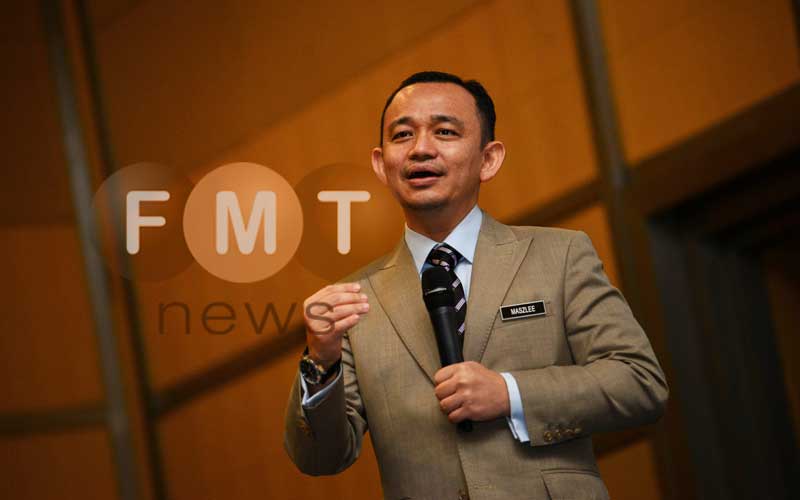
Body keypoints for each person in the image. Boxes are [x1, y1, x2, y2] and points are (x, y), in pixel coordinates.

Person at [284, 71, 668, 500]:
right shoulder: (354, 302)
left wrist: (509, 393)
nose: (421, 148)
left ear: (489, 159)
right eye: (403, 134)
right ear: (381, 164)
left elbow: (639, 382)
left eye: (445, 132)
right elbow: (318, 458)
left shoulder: (558, 256)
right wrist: (321, 361)